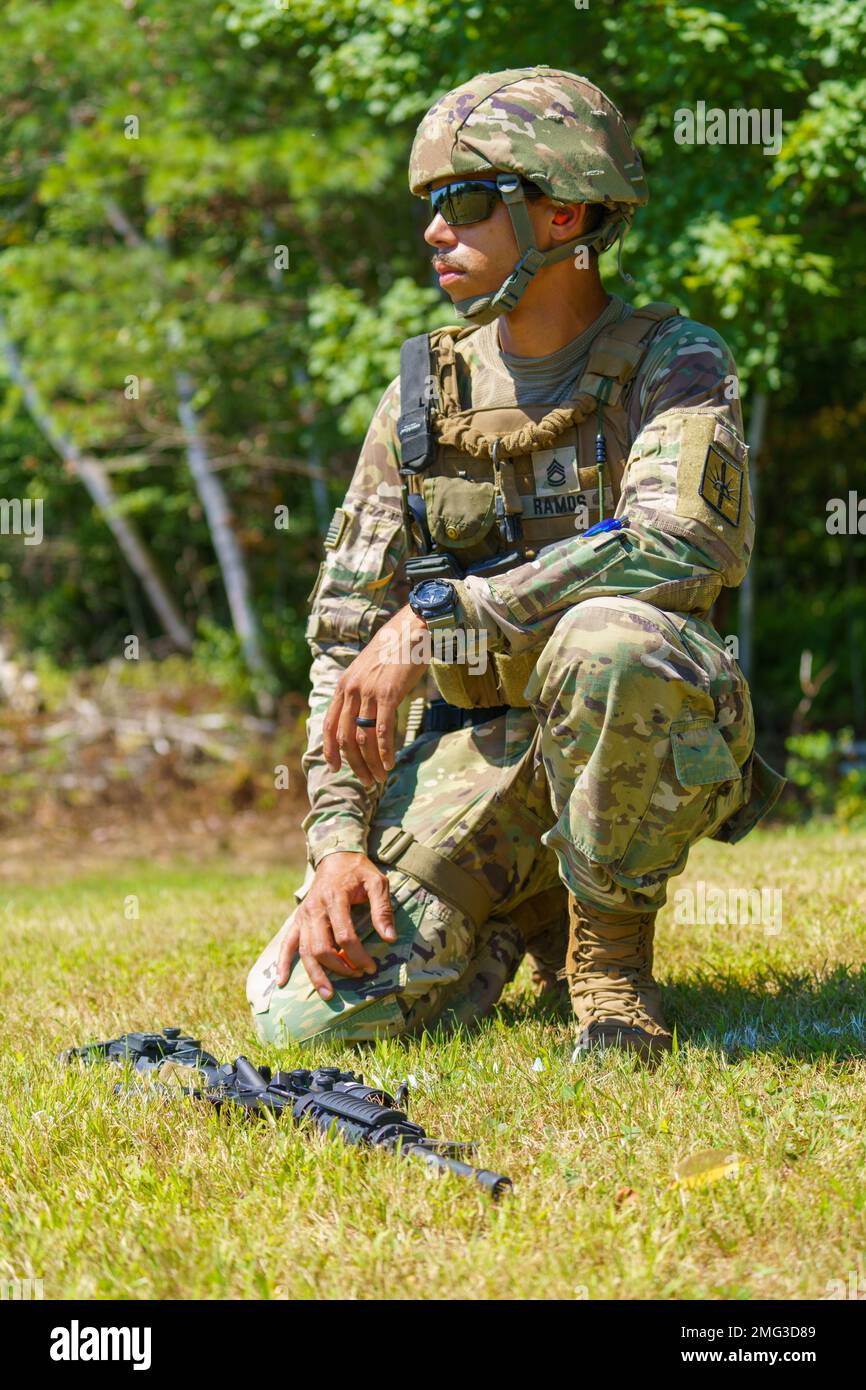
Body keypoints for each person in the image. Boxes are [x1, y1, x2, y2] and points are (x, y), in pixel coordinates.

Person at [247, 66, 785, 1059]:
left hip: (647, 716)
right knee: (305, 1017)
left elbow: (682, 544)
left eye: (462, 201)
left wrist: (443, 612)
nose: (432, 232)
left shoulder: (673, 361)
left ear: (562, 210)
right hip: (479, 746)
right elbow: (340, 642)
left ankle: (608, 969)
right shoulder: (418, 396)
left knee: (606, 638)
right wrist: (334, 849)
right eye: (429, 208)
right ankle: (517, 910)